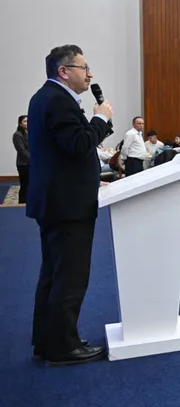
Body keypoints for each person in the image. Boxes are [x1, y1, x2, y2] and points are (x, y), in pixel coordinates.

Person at [27, 45, 112, 365]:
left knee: (53, 274)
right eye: (84, 68)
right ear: (64, 71)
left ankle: (47, 341)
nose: (90, 74)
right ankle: (64, 347)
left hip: (59, 199)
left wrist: (89, 180)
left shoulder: (46, 98)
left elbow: (62, 154)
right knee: (70, 277)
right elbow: (78, 145)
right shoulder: (58, 101)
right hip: (67, 206)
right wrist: (100, 118)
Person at [13, 115, 29, 204]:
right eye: (25, 121)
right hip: (23, 164)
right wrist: (33, 159)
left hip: (33, 163)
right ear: (20, 124)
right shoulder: (17, 135)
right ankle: (22, 203)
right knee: (25, 185)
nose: (28, 123)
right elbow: (21, 150)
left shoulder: (32, 133)